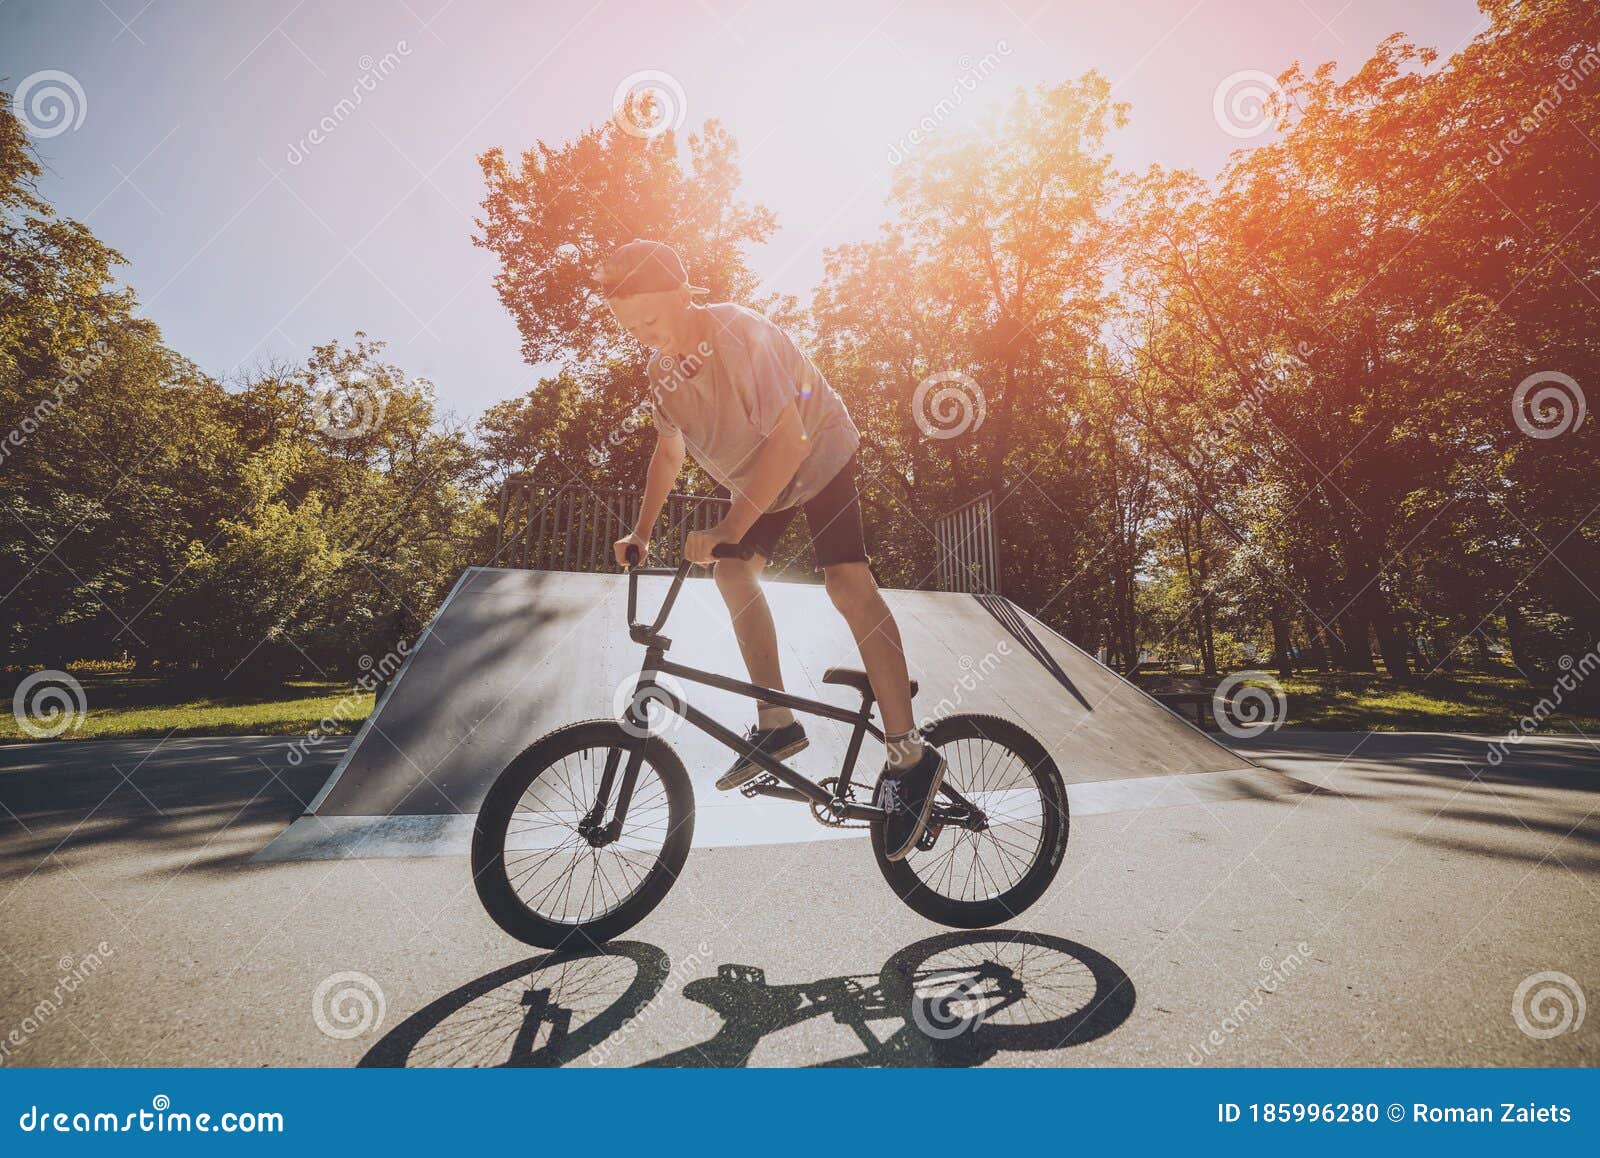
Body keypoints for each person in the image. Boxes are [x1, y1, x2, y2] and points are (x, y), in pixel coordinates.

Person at [599, 238, 943, 861]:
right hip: (762, 479)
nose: (643, 335)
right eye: (629, 326)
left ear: (684, 295)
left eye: (650, 318)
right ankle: (776, 726)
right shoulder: (660, 375)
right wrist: (642, 531)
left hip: (818, 453)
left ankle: (908, 754)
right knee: (732, 575)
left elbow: (792, 442)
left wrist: (731, 524)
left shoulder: (739, 334)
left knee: (845, 584)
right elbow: (668, 453)